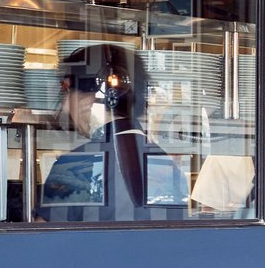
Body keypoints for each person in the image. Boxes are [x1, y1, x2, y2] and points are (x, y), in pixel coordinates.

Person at [39, 43, 187, 221]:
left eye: (66, 92)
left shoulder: (74, 167)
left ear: (90, 99)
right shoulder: (168, 167)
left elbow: (45, 242)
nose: (64, 107)